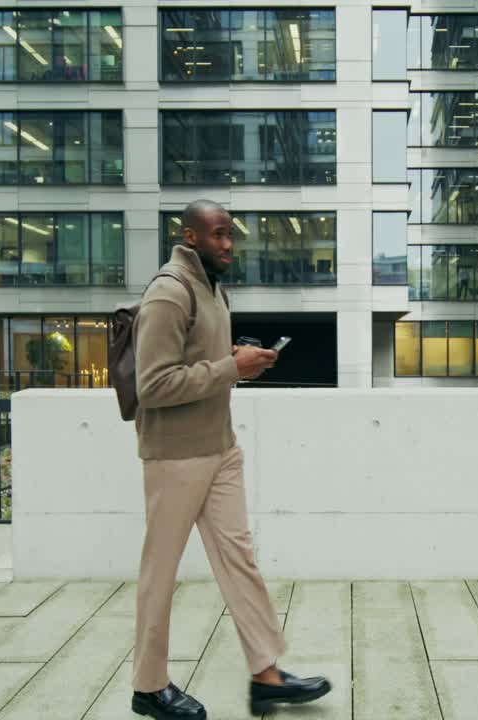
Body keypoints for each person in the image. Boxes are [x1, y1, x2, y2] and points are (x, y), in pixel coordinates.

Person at [130, 199, 331, 719]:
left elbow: (208, 363)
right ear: (190, 237)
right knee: (161, 571)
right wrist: (229, 367)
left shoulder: (213, 289)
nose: (228, 244)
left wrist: (241, 361)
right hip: (175, 458)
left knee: (240, 559)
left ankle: (265, 675)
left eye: (230, 235)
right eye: (218, 234)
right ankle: (148, 687)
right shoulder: (169, 292)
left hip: (220, 449)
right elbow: (152, 385)